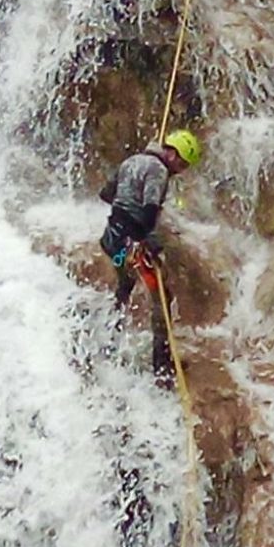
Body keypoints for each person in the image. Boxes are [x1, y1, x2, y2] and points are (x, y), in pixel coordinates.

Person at [99, 129, 202, 381]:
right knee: (162, 298)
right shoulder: (158, 171)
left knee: (126, 282)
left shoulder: (131, 161)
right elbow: (148, 213)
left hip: (113, 240)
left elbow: (105, 194)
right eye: (181, 162)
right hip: (131, 241)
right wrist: (151, 244)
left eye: (185, 166)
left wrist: (127, 198)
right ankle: (161, 365)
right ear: (171, 152)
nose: (180, 169)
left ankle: (109, 332)